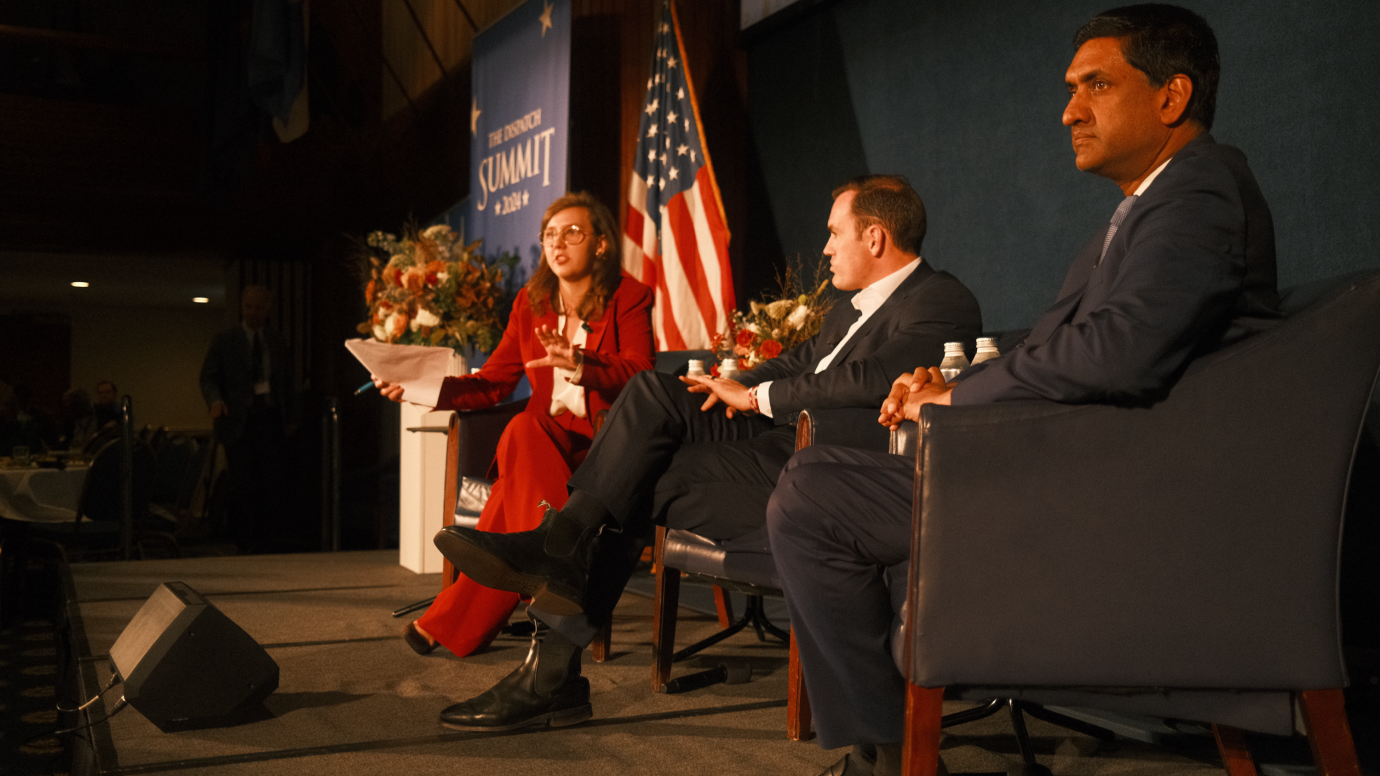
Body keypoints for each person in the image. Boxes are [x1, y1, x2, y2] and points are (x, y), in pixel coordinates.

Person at [766, 6, 1281, 776]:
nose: (1068, 109)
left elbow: (1118, 352)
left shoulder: (1200, 189)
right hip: (1072, 466)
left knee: (813, 498)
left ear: (1172, 97)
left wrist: (954, 400)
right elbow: (1057, 344)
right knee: (813, 480)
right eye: (1071, 88)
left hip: (1115, 492)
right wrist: (952, 377)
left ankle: (885, 752)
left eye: (1096, 85)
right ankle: (885, 749)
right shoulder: (1150, 203)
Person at [431, 175, 983, 732]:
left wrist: (758, 396)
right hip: (767, 441)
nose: (825, 247)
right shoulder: (847, 311)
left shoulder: (941, 299)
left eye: (834, 234)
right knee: (652, 393)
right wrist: (731, 381)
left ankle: (550, 662)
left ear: (875, 238)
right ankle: (562, 558)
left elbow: (876, 378)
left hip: (819, 466)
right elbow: (799, 361)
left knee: (637, 479)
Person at [373, 192, 655, 659]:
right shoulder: (532, 301)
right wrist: (418, 388)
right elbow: (495, 381)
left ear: (601, 244)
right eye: (549, 235)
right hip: (546, 446)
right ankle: (563, 563)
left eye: (572, 232)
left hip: (604, 450)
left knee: (512, 474)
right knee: (524, 430)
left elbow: (641, 373)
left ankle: (456, 618)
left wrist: (582, 363)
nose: (557, 243)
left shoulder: (629, 297)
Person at [199, 284, 298, 554]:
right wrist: (216, 401)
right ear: (242, 308)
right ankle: (242, 540)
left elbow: (287, 382)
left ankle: (266, 540)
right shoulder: (225, 340)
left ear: (267, 311)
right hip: (238, 421)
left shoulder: (276, 341)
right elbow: (208, 377)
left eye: (258, 307)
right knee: (243, 483)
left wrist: (290, 418)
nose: (253, 312)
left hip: (268, 419)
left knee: (270, 482)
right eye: (248, 307)